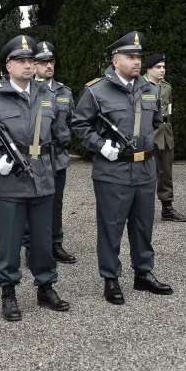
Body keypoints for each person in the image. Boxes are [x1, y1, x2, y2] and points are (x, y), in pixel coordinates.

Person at [0, 35, 70, 322]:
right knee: (10, 241)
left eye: (31, 61)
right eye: (22, 61)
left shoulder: (48, 95)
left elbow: (60, 135)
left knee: (42, 238)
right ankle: (8, 292)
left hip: (42, 177)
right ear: (8, 66)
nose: (29, 65)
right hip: (10, 179)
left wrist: (54, 163)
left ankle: (46, 286)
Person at [71, 31, 173, 305]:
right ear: (116, 61)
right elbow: (80, 125)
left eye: (139, 56)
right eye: (130, 57)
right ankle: (111, 277)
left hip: (145, 169)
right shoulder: (96, 90)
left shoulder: (150, 89)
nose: (137, 61)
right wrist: (100, 144)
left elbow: (154, 123)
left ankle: (143, 272)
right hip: (113, 171)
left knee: (143, 225)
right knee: (111, 226)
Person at [26, 41, 77, 264]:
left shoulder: (65, 92)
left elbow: (73, 122)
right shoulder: (27, 92)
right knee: (32, 201)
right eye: (43, 62)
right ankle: (30, 246)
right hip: (34, 157)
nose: (49, 66)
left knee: (56, 202)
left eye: (51, 61)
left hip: (58, 157)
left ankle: (56, 243)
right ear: (33, 64)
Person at [143, 54, 186, 222]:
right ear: (149, 69)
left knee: (166, 173)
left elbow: (169, 111)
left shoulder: (167, 87)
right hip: (148, 134)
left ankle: (167, 208)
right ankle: (141, 209)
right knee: (146, 173)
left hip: (165, 133)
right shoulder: (140, 86)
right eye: (158, 67)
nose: (162, 70)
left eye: (163, 67)